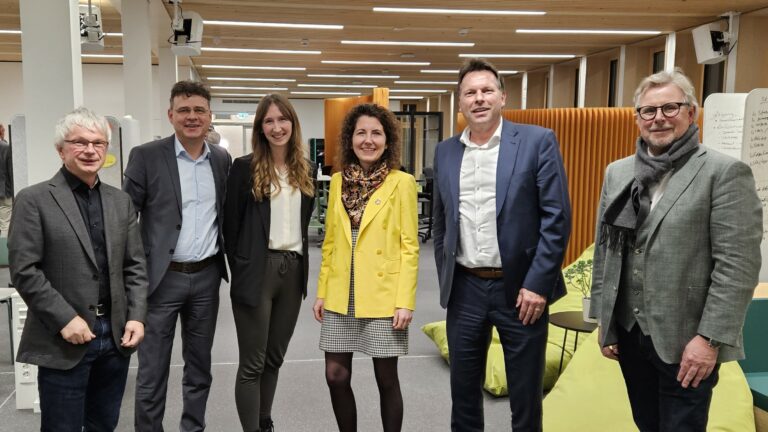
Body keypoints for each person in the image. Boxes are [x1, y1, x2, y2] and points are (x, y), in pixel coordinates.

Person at [590, 68, 762, 431]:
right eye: (648, 111)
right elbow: (607, 251)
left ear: (691, 112)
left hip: (689, 340)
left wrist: (709, 339)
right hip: (631, 333)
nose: (659, 119)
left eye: (670, 107)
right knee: (646, 424)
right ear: (637, 118)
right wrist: (606, 323)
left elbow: (737, 266)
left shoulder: (724, 173)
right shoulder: (618, 174)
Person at [432, 58, 571, 431]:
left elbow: (556, 219)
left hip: (521, 292)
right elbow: (442, 222)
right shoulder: (446, 151)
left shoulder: (536, 141)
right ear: (460, 103)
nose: (479, 99)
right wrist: (447, 275)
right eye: (470, 93)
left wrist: (538, 285)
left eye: (486, 90)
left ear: (502, 97)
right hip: (465, 289)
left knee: (525, 398)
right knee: (462, 394)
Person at [9, 107, 147, 432]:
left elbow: (135, 265)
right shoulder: (34, 200)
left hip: (115, 338)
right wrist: (64, 319)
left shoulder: (120, 201)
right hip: (65, 338)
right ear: (61, 149)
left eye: (98, 143)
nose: (90, 150)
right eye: (79, 142)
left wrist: (137, 316)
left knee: (103, 425)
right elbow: (25, 270)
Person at [124, 80, 232, 432]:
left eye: (199, 110)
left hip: (206, 278)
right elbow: (127, 219)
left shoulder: (221, 159)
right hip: (161, 281)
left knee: (199, 367)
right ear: (171, 115)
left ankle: (192, 428)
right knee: (152, 372)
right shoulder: (146, 156)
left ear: (209, 116)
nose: (192, 117)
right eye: (184, 110)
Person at [313, 103, 419, 432]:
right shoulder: (338, 181)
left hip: (383, 295)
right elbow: (330, 242)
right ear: (351, 139)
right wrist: (321, 292)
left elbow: (409, 247)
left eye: (376, 133)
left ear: (388, 141)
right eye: (361, 133)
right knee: (335, 375)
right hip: (341, 291)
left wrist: (405, 301)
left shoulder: (402, 182)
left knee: (386, 378)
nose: (368, 140)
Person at [223, 94, 315, 432]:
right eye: (269, 121)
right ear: (260, 128)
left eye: (282, 120)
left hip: (293, 273)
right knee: (253, 363)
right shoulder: (244, 168)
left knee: (274, 358)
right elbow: (230, 228)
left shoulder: (305, 168)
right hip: (258, 272)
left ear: (293, 123)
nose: (277, 128)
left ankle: (265, 422)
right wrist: (246, 269)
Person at [0, 123, 13, 235]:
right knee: (5, 224)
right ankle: (3, 252)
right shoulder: (6, 147)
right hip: (4, 191)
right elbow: (10, 171)